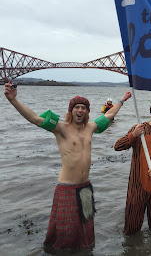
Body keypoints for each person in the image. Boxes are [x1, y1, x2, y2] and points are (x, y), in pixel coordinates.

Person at [3, 79, 131, 251]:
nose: (80, 110)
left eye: (83, 108)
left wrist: (122, 100)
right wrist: (13, 100)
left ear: (87, 112)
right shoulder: (60, 128)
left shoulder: (91, 127)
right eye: (76, 107)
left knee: (86, 228)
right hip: (67, 187)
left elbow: (109, 115)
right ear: (71, 111)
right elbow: (34, 118)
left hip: (85, 187)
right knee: (65, 231)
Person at [114, 103, 151, 234]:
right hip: (137, 186)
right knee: (131, 228)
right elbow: (118, 146)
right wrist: (133, 135)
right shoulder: (139, 129)